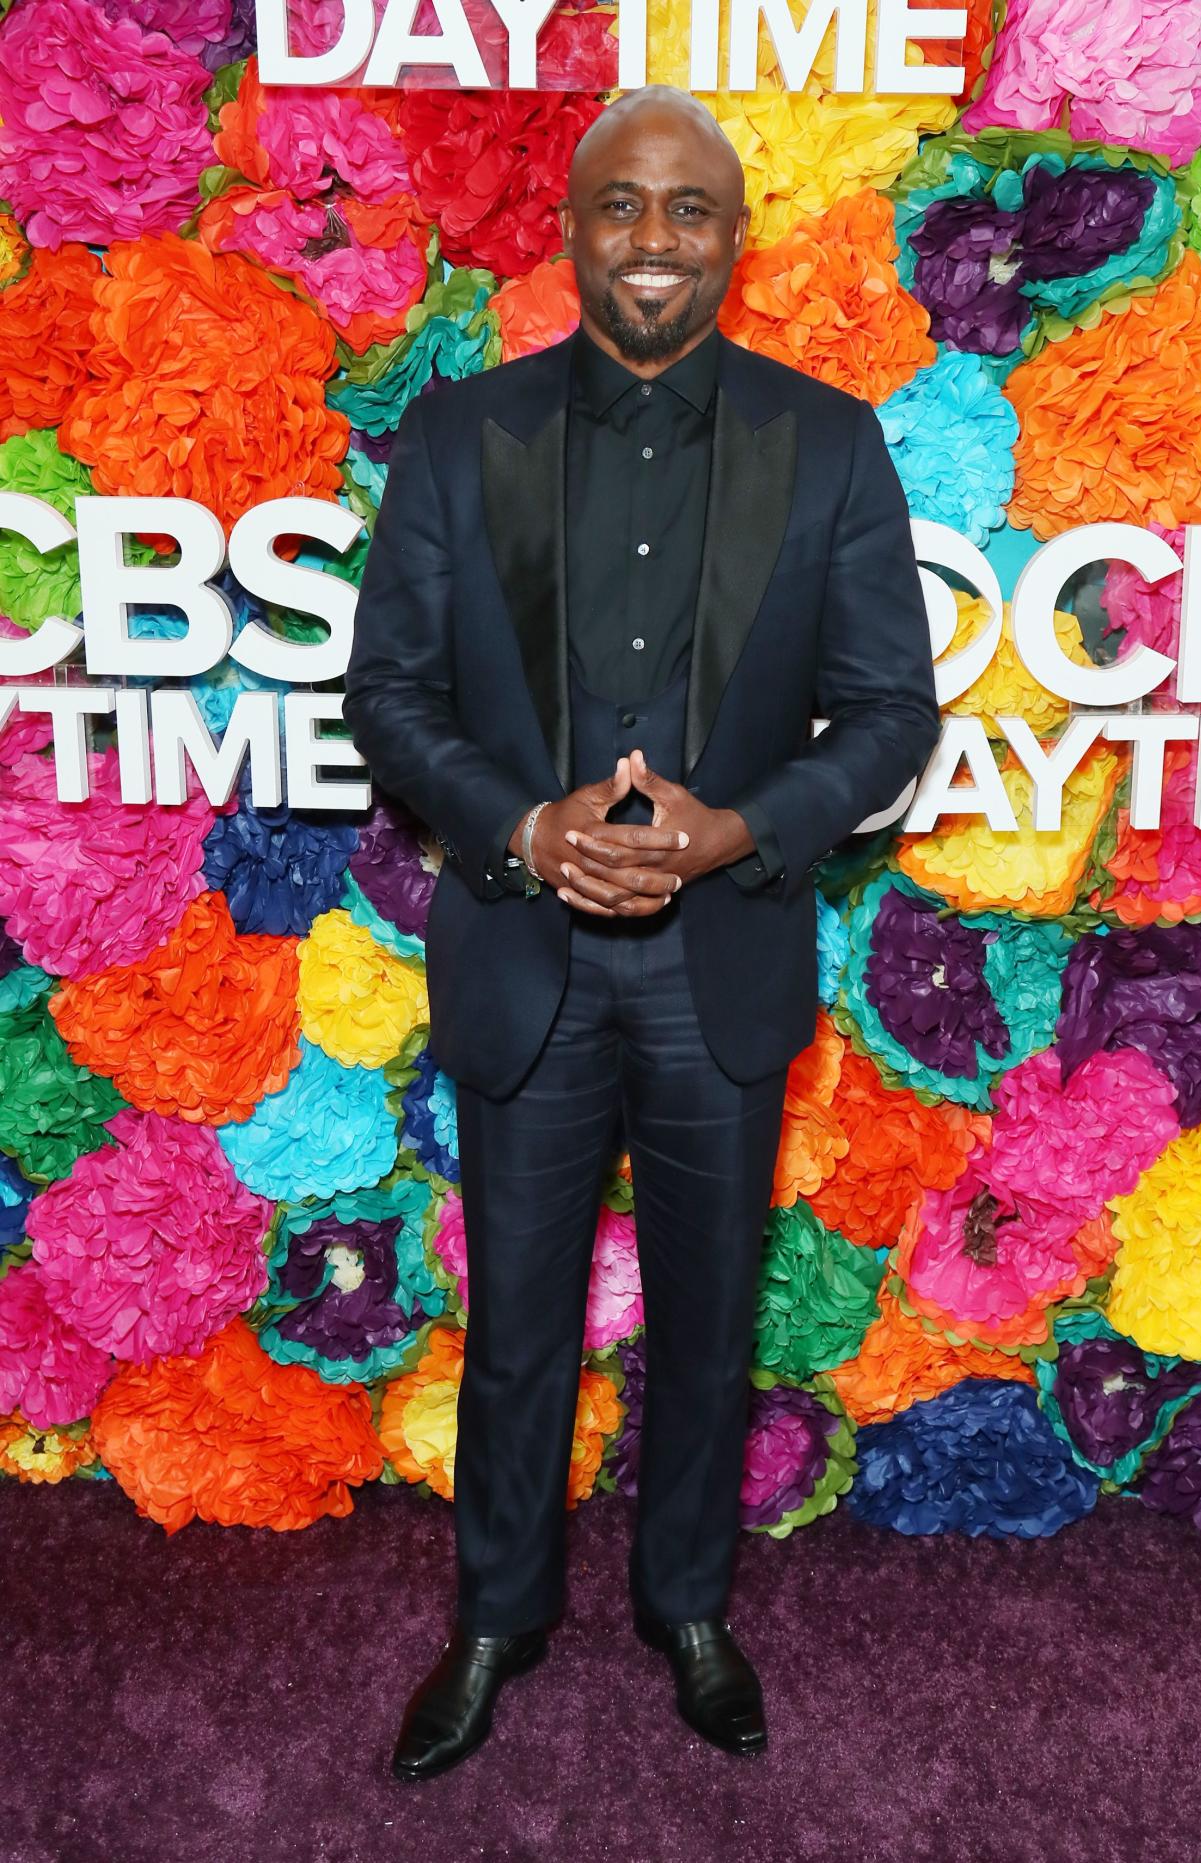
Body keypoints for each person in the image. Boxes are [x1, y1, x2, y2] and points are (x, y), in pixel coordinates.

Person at [342, 82, 942, 1783]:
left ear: (732, 239)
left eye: (690, 209)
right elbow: (384, 695)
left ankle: (687, 1605)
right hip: (523, 952)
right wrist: (525, 830)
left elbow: (890, 715)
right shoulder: (463, 438)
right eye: (623, 206)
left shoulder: (828, 441)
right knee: (518, 1318)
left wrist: (737, 830)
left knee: (705, 1310)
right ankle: (493, 1618)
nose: (656, 240)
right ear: (573, 229)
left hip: (718, 956)